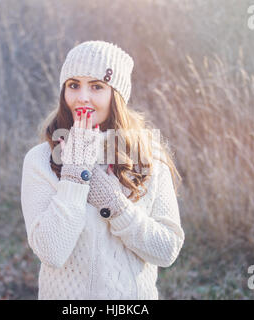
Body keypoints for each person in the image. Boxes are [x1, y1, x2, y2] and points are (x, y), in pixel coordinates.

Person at [21, 40, 185, 300]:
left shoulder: (147, 156)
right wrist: (75, 176)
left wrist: (114, 204)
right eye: (73, 85)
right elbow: (51, 252)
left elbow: (166, 251)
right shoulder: (40, 159)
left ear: (116, 94)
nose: (82, 97)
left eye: (96, 86)